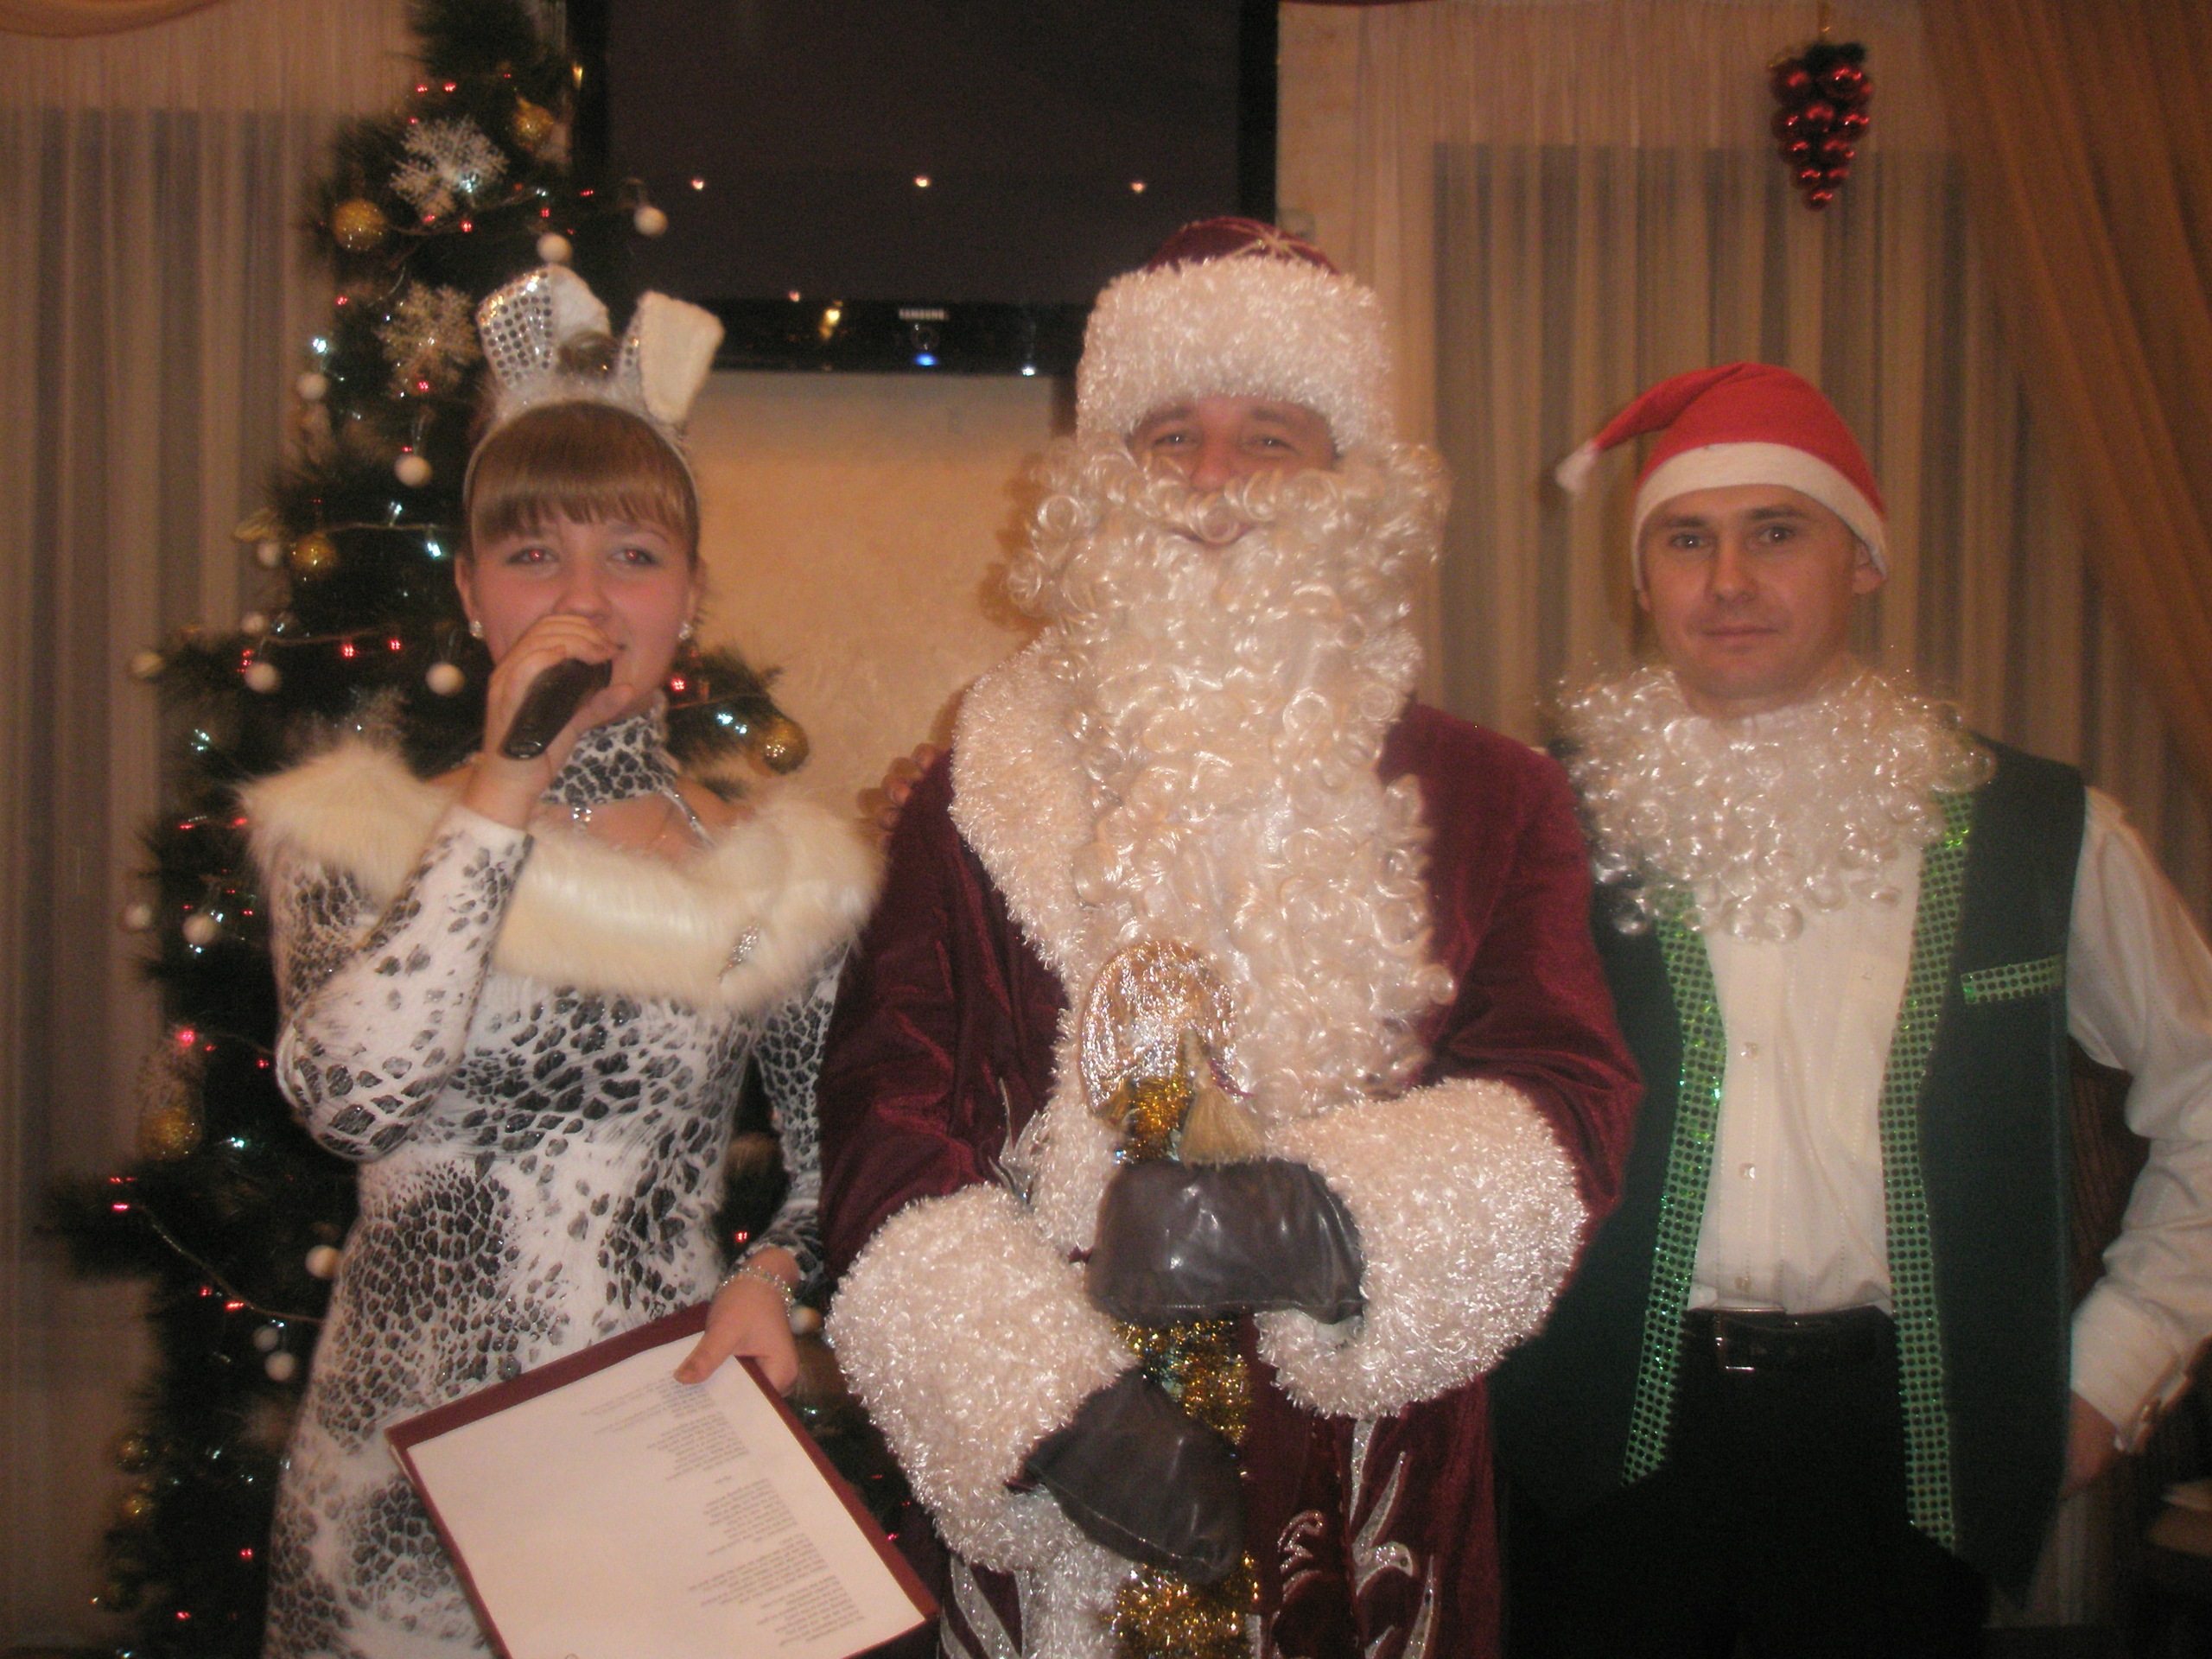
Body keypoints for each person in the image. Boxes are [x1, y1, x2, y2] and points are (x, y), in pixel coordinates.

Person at [817, 219, 1641, 1659]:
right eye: (1169, 437)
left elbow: (1570, 1100)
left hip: (1372, 1485)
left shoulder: (1494, 796)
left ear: (1349, 482)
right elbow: (885, 1115)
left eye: (1269, 438)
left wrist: (1326, 1228)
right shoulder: (979, 787)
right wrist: (1048, 1418)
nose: (1210, 482)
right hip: (1059, 1506)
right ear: (1103, 476)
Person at [1489, 362, 2212, 1656]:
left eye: (1777, 533)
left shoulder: (2044, 833)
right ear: (1641, 577)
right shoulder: (1525, 823)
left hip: (1903, 1457)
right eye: (1686, 539)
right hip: (1588, 1442)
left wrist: (2116, 1368)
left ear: (1863, 562)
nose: (1728, 580)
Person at [245, 267, 877, 1659]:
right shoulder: (348, 840)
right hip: (393, 1494)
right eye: (534, 554)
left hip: (655, 1472)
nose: (585, 597)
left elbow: (843, 1163)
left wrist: (768, 1280)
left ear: (690, 596)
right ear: (470, 590)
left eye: (634, 556)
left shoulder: (779, 879)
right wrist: (505, 784)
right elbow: (351, 1102)